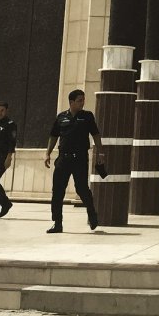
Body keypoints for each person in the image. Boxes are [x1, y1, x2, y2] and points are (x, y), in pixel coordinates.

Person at [43, 89, 103, 233]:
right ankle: (57, 223)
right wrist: (47, 154)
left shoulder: (87, 116)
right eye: (79, 100)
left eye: (83, 100)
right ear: (71, 102)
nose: (82, 103)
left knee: (82, 189)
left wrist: (101, 152)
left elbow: (95, 135)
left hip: (80, 158)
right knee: (57, 191)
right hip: (63, 158)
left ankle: (92, 214)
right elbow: (53, 136)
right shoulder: (61, 117)